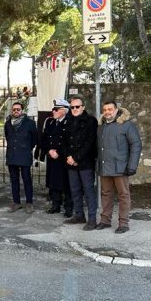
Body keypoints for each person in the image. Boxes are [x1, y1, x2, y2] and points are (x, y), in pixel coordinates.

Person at [96, 100, 143, 234]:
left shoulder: (127, 125)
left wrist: (132, 165)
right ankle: (105, 221)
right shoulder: (101, 126)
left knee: (123, 195)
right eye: (105, 110)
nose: (107, 112)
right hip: (105, 166)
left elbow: (136, 145)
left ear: (116, 110)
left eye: (110, 109)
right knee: (106, 194)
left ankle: (123, 223)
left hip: (121, 168)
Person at [62, 96, 98, 231]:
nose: (75, 109)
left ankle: (92, 219)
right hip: (70, 162)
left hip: (85, 162)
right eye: (72, 107)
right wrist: (68, 157)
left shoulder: (91, 121)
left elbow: (89, 142)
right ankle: (79, 215)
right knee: (75, 190)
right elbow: (63, 142)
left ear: (83, 107)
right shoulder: (67, 121)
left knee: (88, 191)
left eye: (77, 106)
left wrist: (76, 158)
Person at [39, 99, 73, 217]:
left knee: (67, 183)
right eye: (53, 109)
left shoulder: (70, 122)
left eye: (56, 109)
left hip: (64, 158)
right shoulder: (50, 122)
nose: (53, 111)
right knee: (54, 182)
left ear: (64, 111)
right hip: (52, 158)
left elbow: (70, 142)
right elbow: (43, 139)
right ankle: (55, 205)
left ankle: (69, 207)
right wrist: (49, 150)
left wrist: (58, 152)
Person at [4, 101, 38, 214]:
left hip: (24, 155)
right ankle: (16, 202)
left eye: (18, 109)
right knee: (14, 180)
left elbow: (34, 139)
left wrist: (27, 148)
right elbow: (7, 136)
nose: (16, 111)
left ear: (22, 110)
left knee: (27, 180)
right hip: (12, 156)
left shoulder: (30, 123)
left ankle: (29, 203)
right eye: (14, 109)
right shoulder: (8, 123)